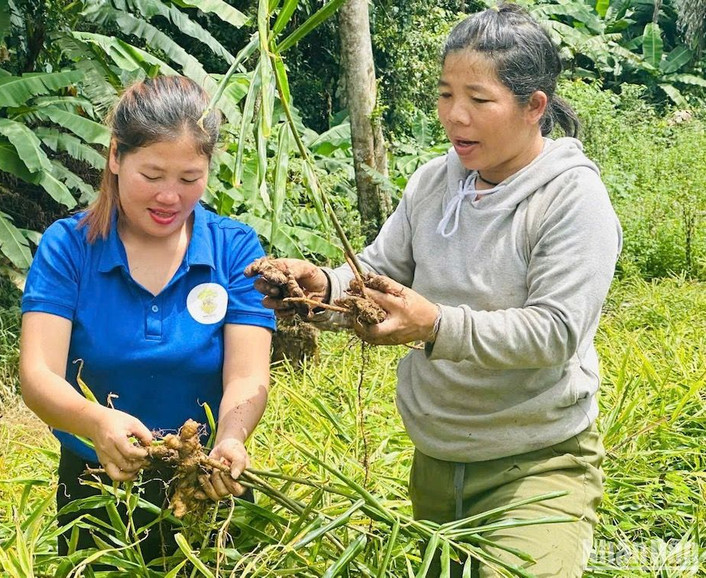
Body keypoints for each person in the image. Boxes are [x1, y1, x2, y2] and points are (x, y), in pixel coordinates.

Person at [246, 4, 622, 577]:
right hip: (437, 460)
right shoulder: (434, 180)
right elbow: (377, 272)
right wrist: (321, 289)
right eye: (446, 94)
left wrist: (436, 326)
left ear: (534, 107)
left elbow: (556, 332)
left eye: (478, 99)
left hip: (538, 464)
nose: (455, 116)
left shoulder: (571, 202)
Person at [19, 75, 274, 562]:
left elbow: (246, 374)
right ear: (116, 157)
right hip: (96, 489)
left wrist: (231, 439)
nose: (170, 198)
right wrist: (95, 423)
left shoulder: (234, 248)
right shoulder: (69, 247)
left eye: (189, 178)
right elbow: (37, 375)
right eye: (152, 176)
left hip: (210, 483)